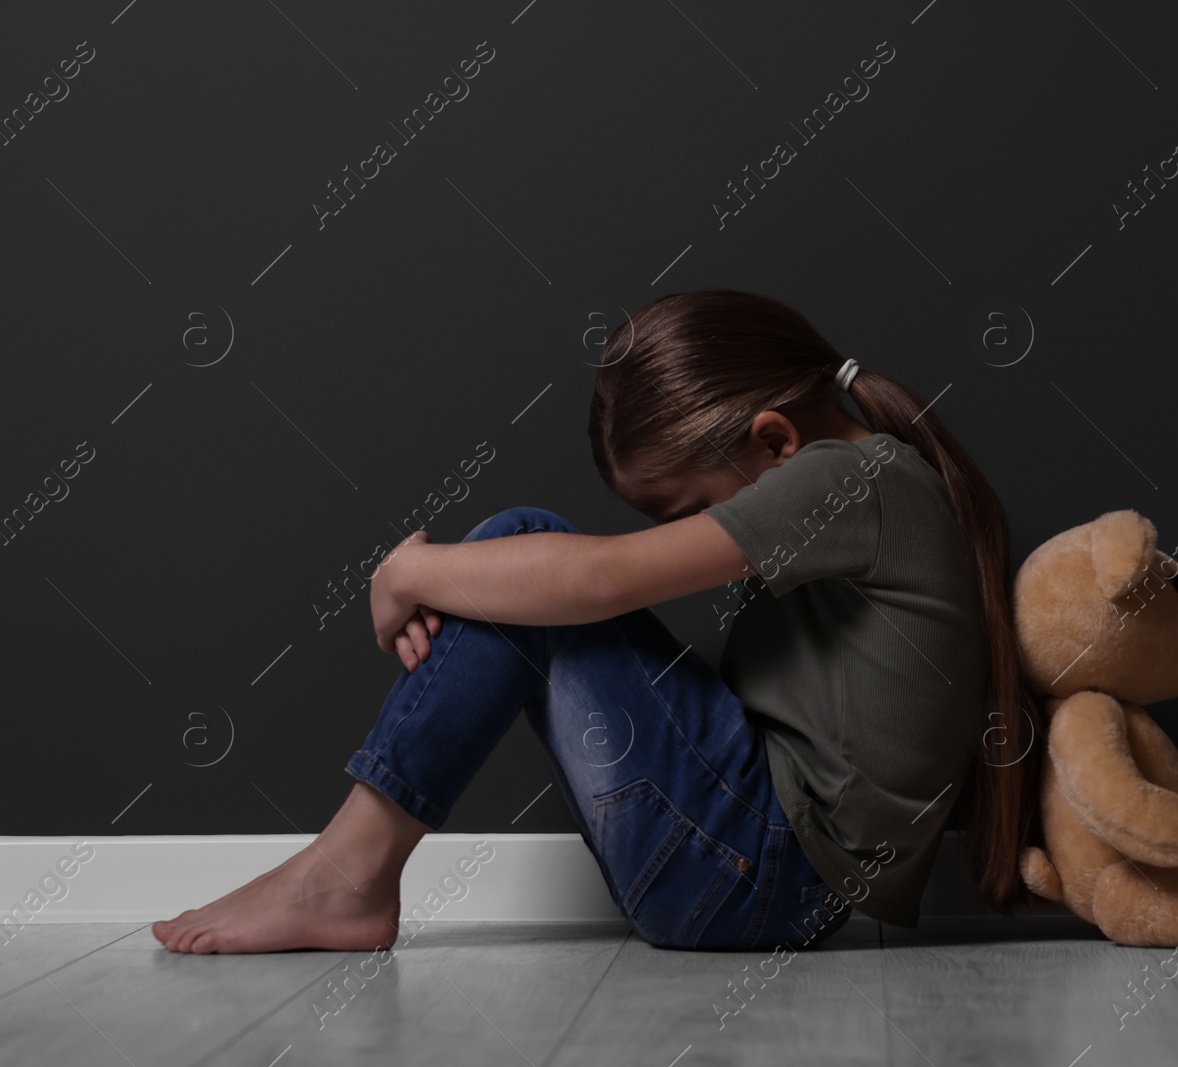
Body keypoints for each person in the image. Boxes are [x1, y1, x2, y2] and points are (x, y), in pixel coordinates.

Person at [151, 287, 1042, 954]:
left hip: (762, 876)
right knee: (513, 569)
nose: (692, 533)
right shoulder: (864, 480)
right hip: (756, 869)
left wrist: (410, 568)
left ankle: (347, 872)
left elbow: (599, 580)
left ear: (774, 441)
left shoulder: (850, 480)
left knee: (524, 547)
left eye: (690, 509)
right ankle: (344, 872)